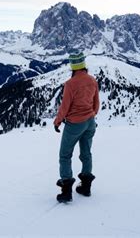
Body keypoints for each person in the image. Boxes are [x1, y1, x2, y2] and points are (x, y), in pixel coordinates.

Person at [54, 51, 100, 203]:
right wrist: (91, 115)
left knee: (65, 155)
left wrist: (58, 121)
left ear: (73, 66)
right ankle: (85, 188)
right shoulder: (93, 80)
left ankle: (66, 191)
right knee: (86, 153)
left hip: (74, 124)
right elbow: (96, 104)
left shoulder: (70, 84)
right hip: (90, 122)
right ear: (83, 65)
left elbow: (65, 106)